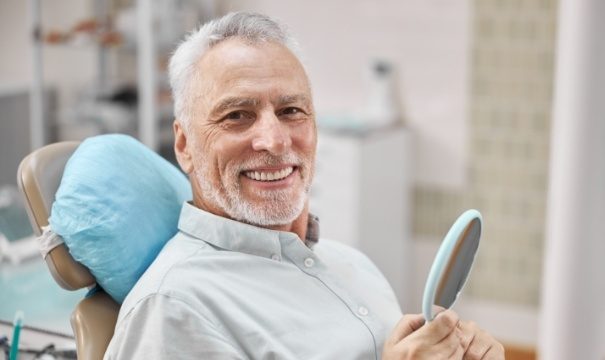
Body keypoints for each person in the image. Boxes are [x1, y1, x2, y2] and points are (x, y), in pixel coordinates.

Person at [104, 12, 504, 360]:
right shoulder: (176, 308)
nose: (276, 141)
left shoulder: (352, 265)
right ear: (184, 144)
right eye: (238, 115)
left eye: (291, 111)